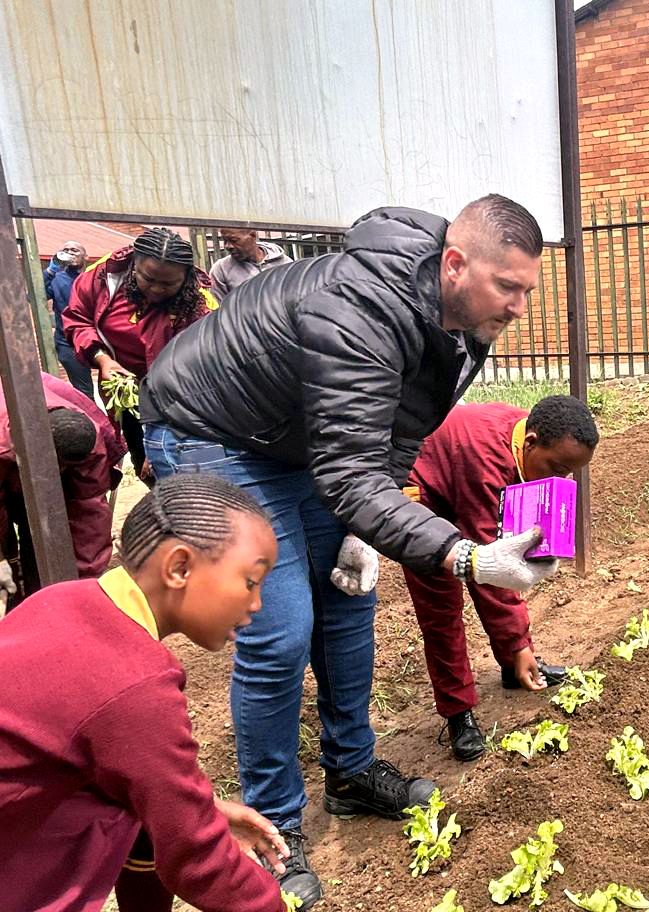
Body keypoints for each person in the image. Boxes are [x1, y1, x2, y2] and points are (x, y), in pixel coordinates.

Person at [139, 197, 552, 906]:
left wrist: (366, 527)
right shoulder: (358, 309)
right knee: (280, 628)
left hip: (304, 442)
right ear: (455, 264)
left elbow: (400, 430)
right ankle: (273, 822)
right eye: (507, 288)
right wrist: (465, 557)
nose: (518, 307)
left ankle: (352, 771)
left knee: (349, 605)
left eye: (527, 290)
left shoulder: (465, 321)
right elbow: (348, 474)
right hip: (213, 428)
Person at [0, 473, 290, 912]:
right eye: (250, 582)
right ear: (178, 568)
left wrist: (202, 811)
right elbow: (197, 858)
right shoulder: (134, 683)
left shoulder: (65, 599)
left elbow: (145, 791)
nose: (256, 605)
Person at [405, 395, 598, 759]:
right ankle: (458, 710)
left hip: (460, 480)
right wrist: (521, 641)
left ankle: (512, 666)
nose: (562, 479)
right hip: (424, 499)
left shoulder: (530, 435)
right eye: (557, 468)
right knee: (441, 607)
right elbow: (490, 571)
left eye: (570, 473)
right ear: (530, 444)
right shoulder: (486, 461)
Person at [61, 228, 218, 486]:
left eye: (168, 284)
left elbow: (200, 375)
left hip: (182, 399)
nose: (155, 289)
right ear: (134, 266)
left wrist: (160, 440)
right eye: (147, 278)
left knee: (187, 468)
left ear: (186, 278)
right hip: (126, 392)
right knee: (144, 464)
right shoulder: (104, 277)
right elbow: (77, 320)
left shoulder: (201, 308)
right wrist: (102, 358)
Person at [0, 372, 127, 607]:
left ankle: (44, 600)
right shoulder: (3, 447)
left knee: (46, 540)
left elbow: (90, 509)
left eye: (66, 465)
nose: (60, 469)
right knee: (9, 571)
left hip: (51, 430)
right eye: (56, 462)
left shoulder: (89, 446)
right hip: (8, 455)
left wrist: (89, 580)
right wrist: (2, 560)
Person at [42, 240, 94, 398]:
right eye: (66, 250)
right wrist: (50, 271)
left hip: (97, 340)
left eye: (75, 250)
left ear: (85, 256)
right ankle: (93, 421)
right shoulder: (57, 279)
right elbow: (34, 296)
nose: (70, 253)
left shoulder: (93, 278)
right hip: (68, 343)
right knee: (84, 392)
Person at [208, 227, 290, 300]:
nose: (228, 246)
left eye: (234, 240)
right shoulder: (221, 270)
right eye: (225, 240)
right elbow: (218, 311)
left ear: (253, 235)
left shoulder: (285, 264)